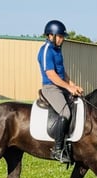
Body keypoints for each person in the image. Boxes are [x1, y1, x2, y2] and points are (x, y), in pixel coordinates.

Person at [37, 20, 83, 163]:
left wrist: (73, 85)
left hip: (61, 85)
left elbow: (62, 73)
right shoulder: (45, 50)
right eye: (60, 36)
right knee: (66, 113)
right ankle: (57, 150)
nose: (62, 39)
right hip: (51, 87)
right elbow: (51, 74)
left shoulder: (57, 50)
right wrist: (68, 87)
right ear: (51, 35)